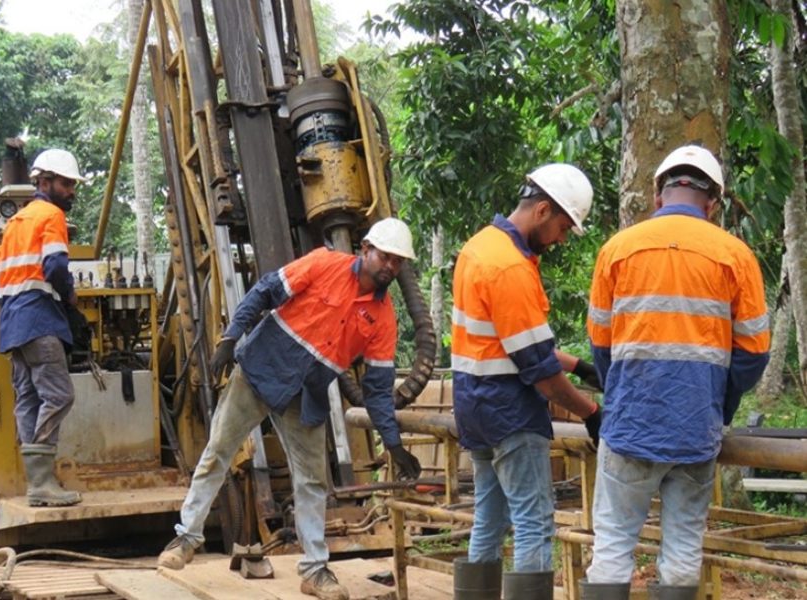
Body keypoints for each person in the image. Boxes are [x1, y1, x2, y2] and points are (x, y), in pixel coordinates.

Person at [158, 218, 422, 600]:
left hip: (307, 395)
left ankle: (315, 570)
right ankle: (185, 540)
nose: (390, 267)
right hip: (261, 371)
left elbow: (378, 391)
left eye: (398, 262)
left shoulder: (383, 320)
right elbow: (266, 291)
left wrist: (393, 444)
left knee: (313, 480)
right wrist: (231, 337)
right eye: (386, 257)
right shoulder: (323, 263)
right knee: (219, 450)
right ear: (365, 248)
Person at [582, 145, 770, 600]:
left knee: (611, 546)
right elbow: (754, 352)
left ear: (658, 194)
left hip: (629, 429)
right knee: (684, 548)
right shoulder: (735, 255)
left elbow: (600, 345)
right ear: (712, 202)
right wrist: (716, 404)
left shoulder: (616, 249)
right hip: (695, 431)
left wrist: (621, 397)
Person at [451, 163, 603, 600]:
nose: (559, 239)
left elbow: (506, 342)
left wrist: (578, 365)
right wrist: (590, 412)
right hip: (510, 412)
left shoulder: (480, 247)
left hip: (475, 409)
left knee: (490, 518)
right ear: (541, 210)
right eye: (561, 227)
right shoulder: (511, 268)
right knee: (534, 521)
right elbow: (539, 374)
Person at [0, 148, 86, 507]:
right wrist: (70, 298)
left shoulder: (15, 223)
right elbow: (55, 267)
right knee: (60, 394)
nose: (71, 191)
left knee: (28, 397)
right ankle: (43, 482)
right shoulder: (51, 215)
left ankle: (37, 484)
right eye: (65, 184)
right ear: (43, 182)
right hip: (39, 320)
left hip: (13, 325)